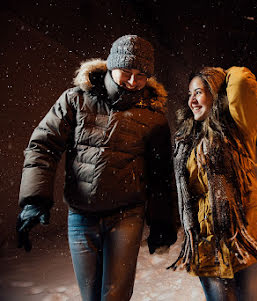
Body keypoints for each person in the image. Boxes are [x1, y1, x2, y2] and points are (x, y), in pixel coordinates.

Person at [16, 35, 177, 301]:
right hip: (81, 215)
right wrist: (34, 199)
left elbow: (160, 175)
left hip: (127, 216)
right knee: (90, 295)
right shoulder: (76, 100)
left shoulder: (153, 117)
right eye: (126, 72)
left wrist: (162, 222)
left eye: (141, 75)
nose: (133, 82)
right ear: (112, 66)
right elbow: (43, 146)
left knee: (114, 295)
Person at [169, 66, 257, 300]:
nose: (192, 100)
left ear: (217, 94)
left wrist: (220, 74)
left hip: (246, 236)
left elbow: (242, 81)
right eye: (190, 93)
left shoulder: (237, 129)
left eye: (200, 92)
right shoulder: (185, 140)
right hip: (208, 243)